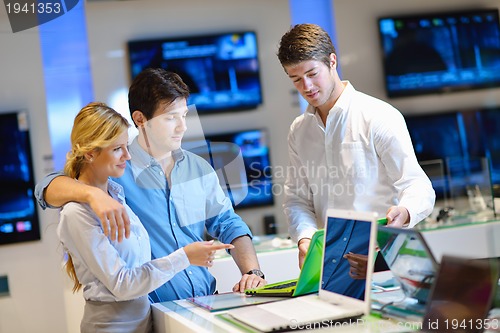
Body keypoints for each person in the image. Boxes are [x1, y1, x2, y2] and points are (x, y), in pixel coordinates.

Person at [35, 68, 266, 303]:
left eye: (184, 115)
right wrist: (93, 195)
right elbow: (46, 189)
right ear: (140, 120)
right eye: (170, 118)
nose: (182, 127)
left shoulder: (199, 168)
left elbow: (228, 223)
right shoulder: (114, 170)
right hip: (155, 313)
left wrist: (252, 272)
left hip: (207, 303)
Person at [276, 24, 435, 293]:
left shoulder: (378, 116)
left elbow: (418, 186)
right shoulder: (299, 130)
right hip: (332, 265)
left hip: (384, 262)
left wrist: (405, 212)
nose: (307, 86)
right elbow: (297, 200)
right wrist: (304, 239)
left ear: (332, 61)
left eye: (313, 73)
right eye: (296, 79)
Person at [57, 102, 234, 332]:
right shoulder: (76, 214)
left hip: (145, 321)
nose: (128, 156)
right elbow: (123, 284)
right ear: (90, 153)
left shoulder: (117, 194)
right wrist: (184, 257)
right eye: (117, 149)